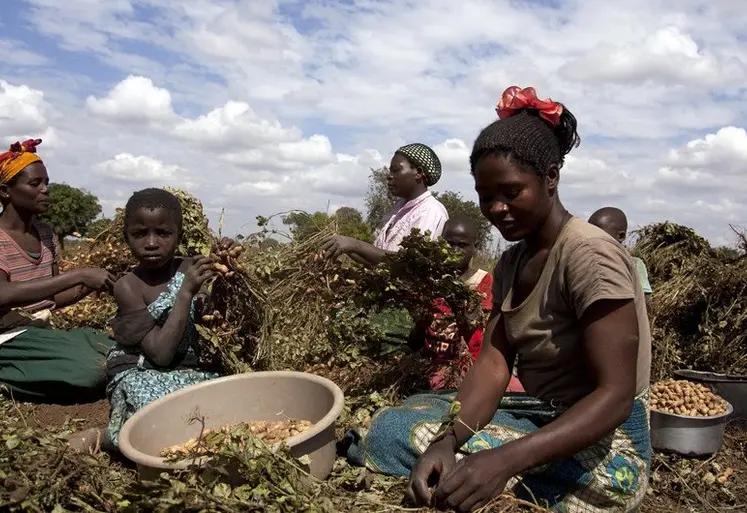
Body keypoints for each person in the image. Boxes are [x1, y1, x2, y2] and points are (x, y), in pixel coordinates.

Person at [344, 86, 652, 513]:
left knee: (406, 437)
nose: (497, 209)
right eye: (486, 196)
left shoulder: (589, 255)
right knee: (405, 421)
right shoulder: (512, 261)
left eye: (511, 192)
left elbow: (616, 396)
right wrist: (447, 441)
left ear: (550, 178)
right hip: (543, 415)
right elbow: (493, 362)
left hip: (607, 440)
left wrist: (505, 460)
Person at [71, 189, 220, 452]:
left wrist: (224, 269)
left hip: (189, 370)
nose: (151, 243)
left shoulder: (190, 268)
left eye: (163, 233)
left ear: (179, 236)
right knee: (153, 410)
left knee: (225, 402)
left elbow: (214, 312)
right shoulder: (128, 286)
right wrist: (185, 293)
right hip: (142, 370)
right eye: (140, 234)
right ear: (126, 237)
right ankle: (106, 437)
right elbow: (160, 355)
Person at [0, 139, 116, 403]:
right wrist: (80, 275)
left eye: (47, 183)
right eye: (35, 184)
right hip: (5, 337)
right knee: (87, 373)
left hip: (37, 329)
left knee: (115, 350)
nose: (45, 190)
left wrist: (93, 284)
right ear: (6, 191)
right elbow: (3, 295)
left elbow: (50, 299)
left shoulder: (45, 235)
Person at [408, 216, 523, 393]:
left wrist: (469, 319)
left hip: (474, 364)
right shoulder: (430, 282)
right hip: (438, 365)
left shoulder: (484, 283)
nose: (454, 250)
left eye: (462, 245)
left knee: (515, 391)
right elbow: (416, 338)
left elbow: (486, 336)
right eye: (449, 243)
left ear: (474, 247)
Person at [322, 143, 448, 265]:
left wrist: (355, 245)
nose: (389, 176)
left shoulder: (431, 211)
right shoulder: (398, 210)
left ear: (418, 173)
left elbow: (411, 264)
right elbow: (377, 262)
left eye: (396, 170)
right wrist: (346, 247)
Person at [588, 207, 653, 308]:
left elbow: (644, 300)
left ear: (621, 236)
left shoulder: (634, 264)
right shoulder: (587, 262)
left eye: (600, 236)